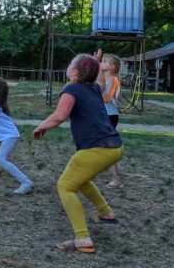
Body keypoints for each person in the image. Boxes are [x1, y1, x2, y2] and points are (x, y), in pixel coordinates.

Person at [33, 52, 123, 253]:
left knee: (65, 186)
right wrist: (95, 64)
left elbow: (60, 115)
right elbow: (99, 80)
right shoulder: (93, 89)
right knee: (80, 180)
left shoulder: (71, 88)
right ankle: (105, 212)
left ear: (73, 71)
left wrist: (41, 126)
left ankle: (82, 238)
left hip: (98, 149)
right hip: (115, 146)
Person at [101, 53, 124, 188]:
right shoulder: (104, 78)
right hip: (104, 115)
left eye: (104, 61)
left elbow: (107, 98)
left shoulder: (113, 80)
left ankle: (116, 179)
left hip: (110, 116)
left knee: (108, 147)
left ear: (112, 67)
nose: (101, 63)